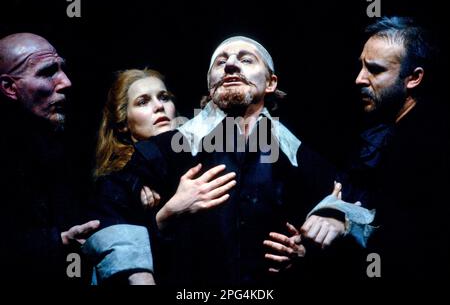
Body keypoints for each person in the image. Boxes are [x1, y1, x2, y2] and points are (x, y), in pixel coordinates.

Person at [92, 36, 373, 285]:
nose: (230, 65)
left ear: (271, 83)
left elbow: (361, 203)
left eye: (246, 59)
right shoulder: (168, 148)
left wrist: (335, 218)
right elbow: (108, 213)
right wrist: (164, 218)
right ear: (210, 84)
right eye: (221, 62)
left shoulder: (296, 154)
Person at [262, 16, 449, 279]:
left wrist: (349, 223)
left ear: (414, 78)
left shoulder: (433, 140)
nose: (360, 78)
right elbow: (345, 193)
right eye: (361, 66)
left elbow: (418, 239)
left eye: (375, 69)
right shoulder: (378, 130)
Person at [84, 68, 236, 284]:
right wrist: (166, 215)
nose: (159, 107)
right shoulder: (114, 182)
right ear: (124, 123)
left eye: (164, 97)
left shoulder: (202, 153)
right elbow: (117, 262)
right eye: (143, 102)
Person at [0, 33, 100, 283]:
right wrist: (59, 240)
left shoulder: (66, 141)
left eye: (62, 69)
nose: (65, 82)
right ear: (10, 88)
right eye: (47, 73)